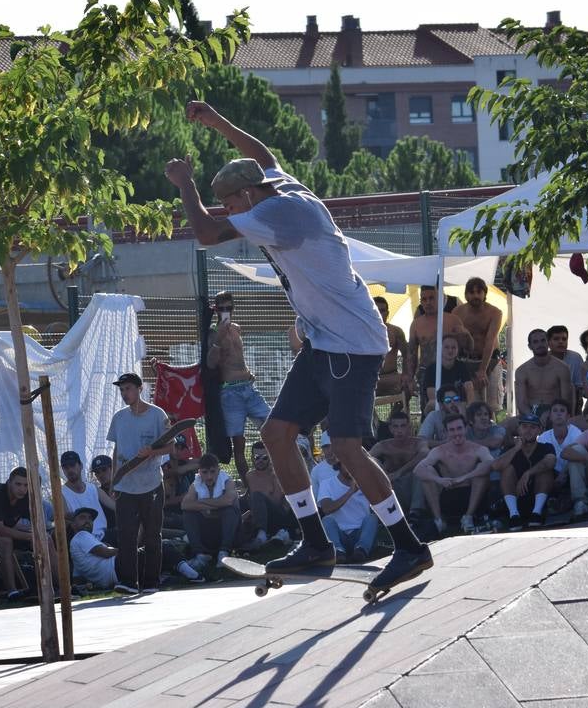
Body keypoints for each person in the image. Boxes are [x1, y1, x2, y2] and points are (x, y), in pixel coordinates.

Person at [165, 99, 431, 591]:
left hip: (353, 344)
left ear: (247, 196)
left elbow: (204, 233)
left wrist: (187, 185)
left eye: (232, 206)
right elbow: (261, 151)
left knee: (348, 446)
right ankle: (315, 541)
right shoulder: (280, 183)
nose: (231, 216)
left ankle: (409, 546)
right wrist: (216, 119)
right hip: (324, 343)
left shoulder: (277, 212)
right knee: (276, 434)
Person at [107, 372, 172, 595]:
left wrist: (153, 451)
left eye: (128, 389)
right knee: (126, 535)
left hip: (151, 484)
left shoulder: (157, 415)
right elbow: (116, 451)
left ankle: (151, 582)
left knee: (153, 534)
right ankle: (128, 582)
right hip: (125, 486)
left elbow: (171, 447)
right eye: (122, 390)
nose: (125, 394)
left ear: (139, 388)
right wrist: (114, 480)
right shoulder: (119, 417)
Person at [206, 291, 271, 480]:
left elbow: (237, 357)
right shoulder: (213, 332)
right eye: (222, 308)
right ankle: (249, 485)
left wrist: (249, 372)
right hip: (230, 391)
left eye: (229, 308)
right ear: (216, 310)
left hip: (248, 388)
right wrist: (218, 340)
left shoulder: (236, 328)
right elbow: (211, 363)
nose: (226, 311)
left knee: (271, 427)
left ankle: (270, 476)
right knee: (239, 442)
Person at [69, 506, 205, 591]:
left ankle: (176, 574)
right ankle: (195, 574)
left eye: (90, 518)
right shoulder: (82, 536)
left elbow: (77, 578)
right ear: (73, 524)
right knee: (160, 547)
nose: (87, 521)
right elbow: (105, 553)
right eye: (82, 518)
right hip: (119, 567)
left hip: (116, 575)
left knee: (157, 557)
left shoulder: (75, 547)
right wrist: (129, 550)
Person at [415, 413, 495, 534]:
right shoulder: (439, 451)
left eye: (459, 428)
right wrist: (439, 480)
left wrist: (465, 477)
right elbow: (418, 470)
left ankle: (468, 517)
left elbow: (491, 464)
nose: (456, 433)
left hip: (473, 496)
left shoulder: (479, 449)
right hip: (448, 495)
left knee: (481, 470)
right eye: (451, 430)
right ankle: (439, 520)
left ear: (466, 429)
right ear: (446, 432)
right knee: (428, 471)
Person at [0, 466, 47, 599]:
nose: (22, 489)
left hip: (6, 532)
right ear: (9, 482)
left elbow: (35, 522)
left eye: (26, 485)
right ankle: (12, 591)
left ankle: (56, 585)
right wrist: (29, 537)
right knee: (6, 542)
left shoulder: (26, 496)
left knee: (46, 539)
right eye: (18, 484)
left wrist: (38, 536)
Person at [489, 414, 557, 530]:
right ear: (518, 429)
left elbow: (551, 462)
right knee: (507, 469)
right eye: (524, 426)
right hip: (516, 498)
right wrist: (516, 449)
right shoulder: (510, 449)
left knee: (545, 471)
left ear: (539, 430)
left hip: (539, 498)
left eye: (533, 427)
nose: (528, 430)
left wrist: (528, 473)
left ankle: (537, 513)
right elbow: (495, 466)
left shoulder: (546, 447)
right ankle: (514, 515)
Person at [409, 285, 473, 403]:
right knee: (429, 410)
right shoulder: (416, 325)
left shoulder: (453, 320)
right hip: (427, 372)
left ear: (440, 298)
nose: (428, 302)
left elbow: (469, 348)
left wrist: (466, 334)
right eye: (424, 299)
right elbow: (411, 354)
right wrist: (410, 378)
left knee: (455, 408)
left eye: (431, 298)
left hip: (452, 371)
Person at [181, 453, 243, 569]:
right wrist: (218, 504)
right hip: (209, 532)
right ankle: (199, 555)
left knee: (230, 510)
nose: (209, 476)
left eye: (212, 472)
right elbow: (185, 505)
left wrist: (202, 504)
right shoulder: (195, 485)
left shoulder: (227, 481)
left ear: (218, 470)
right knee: (188, 514)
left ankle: (224, 553)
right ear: (199, 472)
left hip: (229, 533)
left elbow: (228, 501)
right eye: (205, 472)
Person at [316, 461, 380, 563]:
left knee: (372, 518)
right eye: (348, 463)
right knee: (326, 520)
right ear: (339, 465)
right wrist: (350, 492)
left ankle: (361, 551)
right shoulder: (327, 483)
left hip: (360, 533)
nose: (352, 468)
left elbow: (380, 503)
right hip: (340, 535)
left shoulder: (366, 484)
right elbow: (326, 509)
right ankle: (338, 552)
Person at [452, 277, 503, 404]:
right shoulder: (457, 312)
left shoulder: (495, 312)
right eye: (472, 292)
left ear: (485, 293)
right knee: (471, 402)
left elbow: (490, 341)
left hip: (491, 360)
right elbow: (455, 341)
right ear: (466, 295)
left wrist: (483, 369)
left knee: (491, 404)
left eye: (479, 292)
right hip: (467, 360)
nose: (475, 296)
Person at [369, 409, 429, 515]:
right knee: (374, 462)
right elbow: (366, 458)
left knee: (422, 470)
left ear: (409, 428)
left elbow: (425, 454)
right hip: (393, 489)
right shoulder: (383, 446)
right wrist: (383, 473)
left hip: (414, 488)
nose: (399, 430)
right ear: (390, 429)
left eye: (403, 426)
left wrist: (400, 472)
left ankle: (416, 512)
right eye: (396, 426)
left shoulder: (418, 443)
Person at [513, 328, 574, 430]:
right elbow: (521, 403)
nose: (540, 344)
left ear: (548, 343)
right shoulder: (522, 370)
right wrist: (533, 418)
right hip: (530, 412)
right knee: (505, 426)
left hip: (555, 411)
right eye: (535, 342)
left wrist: (551, 413)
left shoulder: (562, 368)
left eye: (543, 340)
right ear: (530, 346)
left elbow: (565, 400)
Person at [536, 400, 584, 515]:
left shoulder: (577, 433)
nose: (558, 414)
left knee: (575, 460)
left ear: (568, 416)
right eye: (555, 411)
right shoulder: (543, 437)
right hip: (552, 477)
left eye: (562, 411)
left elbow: (579, 456)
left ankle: (580, 502)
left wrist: (564, 473)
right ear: (550, 416)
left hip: (572, 474)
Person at [245, 440, 296, 547]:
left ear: (270, 457)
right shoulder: (249, 476)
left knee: (257, 496)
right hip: (257, 516)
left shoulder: (276, 475)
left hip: (277, 516)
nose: (260, 461)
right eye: (256, 457)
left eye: (264, 457)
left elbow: (277, 503)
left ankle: (262, 535)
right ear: (252, 458)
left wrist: (257, 505)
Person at [373, 296, 410, 400]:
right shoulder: (363, 331)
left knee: (409, 385)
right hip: (370, 377)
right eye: (376, 310)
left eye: (383, 311)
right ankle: (374, 417)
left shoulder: (396, 331)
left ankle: (395, 416)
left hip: (391, 377)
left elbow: (406, 354)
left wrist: (406, 373)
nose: (380, 313)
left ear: (387, 313)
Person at [422, 334, 474, 409]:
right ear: (440, 348)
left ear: (457, 350)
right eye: (446, 347)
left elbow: (469, 388)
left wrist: (470, 405)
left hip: (458, 404)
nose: (450, 350)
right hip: (440, 405)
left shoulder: (462, 366)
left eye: (453, 348)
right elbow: (432, 395)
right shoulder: (431, 369)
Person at [546, 325, 585, 406]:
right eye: (556, 339)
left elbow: (580, 386)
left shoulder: (575, 358)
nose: (561, 342)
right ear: (548, 342)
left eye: (564, 339)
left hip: (572, 401)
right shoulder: (542, 359)